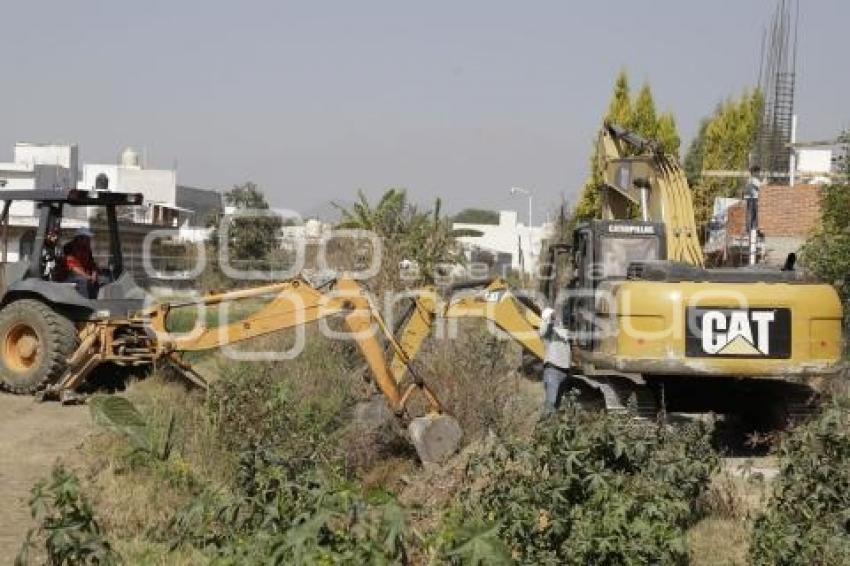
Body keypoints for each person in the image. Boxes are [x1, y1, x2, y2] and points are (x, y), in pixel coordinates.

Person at [539, 304, 572, 417]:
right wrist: (548, 319)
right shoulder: (549, 332)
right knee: (551, 403)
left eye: (555, 315)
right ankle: (545, 429)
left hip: (564, 372)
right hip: (553, 370)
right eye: (553, 316)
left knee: (559, 404)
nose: (556, 317)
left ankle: (553, 430)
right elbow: (543, 331)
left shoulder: (563, 332)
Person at [61, 227, 98, 298]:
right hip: (69, 276)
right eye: (87, 238)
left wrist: (94, 273)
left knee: (97, 280)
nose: (89, 240)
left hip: (82, 274)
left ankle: (95, 300)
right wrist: (87, 276)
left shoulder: (87, 249)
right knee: (82, 280)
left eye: (89, 239)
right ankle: (84, 303)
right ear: (79, 238)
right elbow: (73, 266)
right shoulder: (69, 248)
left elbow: (92, 263)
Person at [744, 166, 762, 233]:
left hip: (750, 199)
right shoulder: (753, 180)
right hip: (753, 199)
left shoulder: (750, 179)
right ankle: (751, 229)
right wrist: (765, 182)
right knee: (753, 214)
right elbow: (761, 186)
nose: (759, 173)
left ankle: (751, 229)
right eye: (758, 172)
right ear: (754, 172)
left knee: (752, 214)